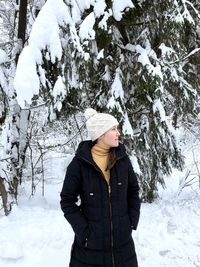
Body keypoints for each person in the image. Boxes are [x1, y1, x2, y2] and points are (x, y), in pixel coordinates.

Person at [60, 108, 141, 267]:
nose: (118, 133)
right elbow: (67, 201)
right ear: (101, 134)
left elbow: (133, 190)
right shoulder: (79, 165)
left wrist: (131, 220)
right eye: (113, 129)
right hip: (90, 250)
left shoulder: (122, 160)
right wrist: (84, 231)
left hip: (123, 246)